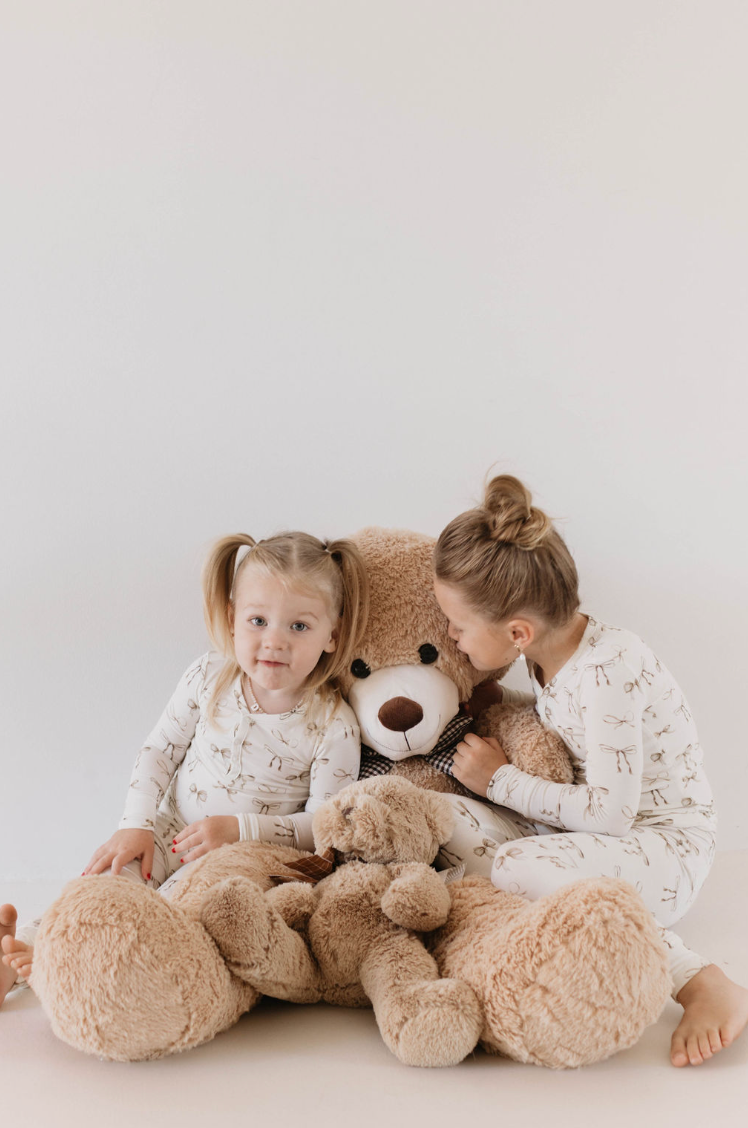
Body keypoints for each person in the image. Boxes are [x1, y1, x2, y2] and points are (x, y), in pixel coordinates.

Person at [431, 473, 748, 1069]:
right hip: (592, 838)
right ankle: (506, 915)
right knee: (443, 814)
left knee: (519, 863)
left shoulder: (609, 669)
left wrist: (500, 782)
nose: (450, 635)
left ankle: (698, 978)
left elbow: (611, 812)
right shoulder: (548, 656)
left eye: (457, 624)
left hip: (664, 847)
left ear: (517, 632)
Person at [1, 531, 369, 1004]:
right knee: (109, 877)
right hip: (172, 828)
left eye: (299, 626)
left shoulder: (333, 724)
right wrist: (135, 824)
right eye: (258, 620)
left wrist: (237, 830)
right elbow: (159, 751)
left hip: (238, 860)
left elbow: (323, 829)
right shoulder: (209, 677)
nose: (274, 640)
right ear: (234, 619)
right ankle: (29, 947)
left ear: (331, 635)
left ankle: (78, 967)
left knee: (171, 918)